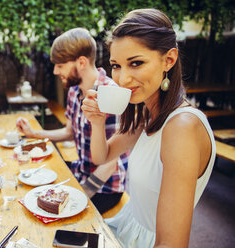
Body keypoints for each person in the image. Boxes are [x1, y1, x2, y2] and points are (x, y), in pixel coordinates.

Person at [81, 8, 216, 248]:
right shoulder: (148, 113)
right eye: (116, 66)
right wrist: (97, 121)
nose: (122, 79)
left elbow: (171, 244)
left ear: (169, 60)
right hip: (126, 227)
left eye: (136, 63)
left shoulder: (182, 127)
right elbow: (102, 156)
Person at [16, 28, 128, 214]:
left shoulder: (110, 95)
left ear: (81, 62)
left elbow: (110, 163)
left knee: (52, 218)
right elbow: (69, 131)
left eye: (60, 65)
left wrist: (81, 194)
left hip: (105, 187)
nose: (55, 71)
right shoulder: (75, 90)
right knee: (33, 182)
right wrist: (33, 134)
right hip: (81, 171)